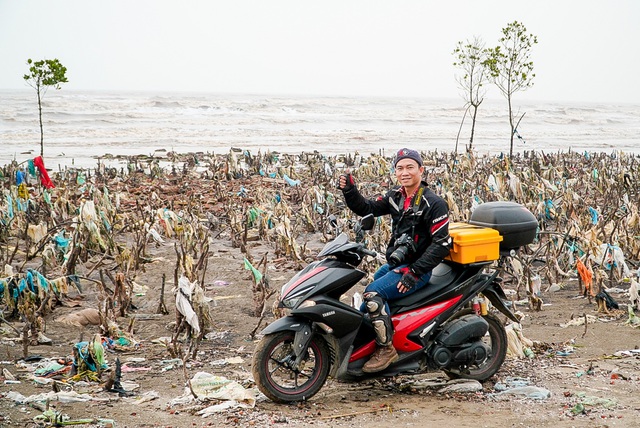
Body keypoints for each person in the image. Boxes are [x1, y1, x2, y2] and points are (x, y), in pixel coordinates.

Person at [338, 148, 452, 373]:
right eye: (400, 168)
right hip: (397, 263)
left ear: (421, 169)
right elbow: (367, 208)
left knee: (373, 293)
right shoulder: (396, 197)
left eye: (410, 167)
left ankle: (386, 349)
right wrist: (350, 190)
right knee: (369, 297)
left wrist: (415, 273)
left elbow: (441, 244)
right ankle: (365, 341)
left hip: (417, 269)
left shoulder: (434, 203)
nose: (405, 172)